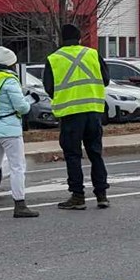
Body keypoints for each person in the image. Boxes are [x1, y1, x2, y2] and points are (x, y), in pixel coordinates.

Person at [45, 23, 110, 209]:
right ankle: (101, 195)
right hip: (93, 111)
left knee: (73, 155)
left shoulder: (54, 58)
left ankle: (78, 196)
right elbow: (105, 79)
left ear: (61, 40)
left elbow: (49, 87)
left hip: (70, 114)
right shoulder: (92, 54)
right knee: (95, 153)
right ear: (80, 38)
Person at [0, 47, 38, 218]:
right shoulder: (9, 81)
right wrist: (29, 101)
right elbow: (21, 107)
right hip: (9, 129)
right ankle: (20, 204)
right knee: (18, 166)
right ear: (10, 64)